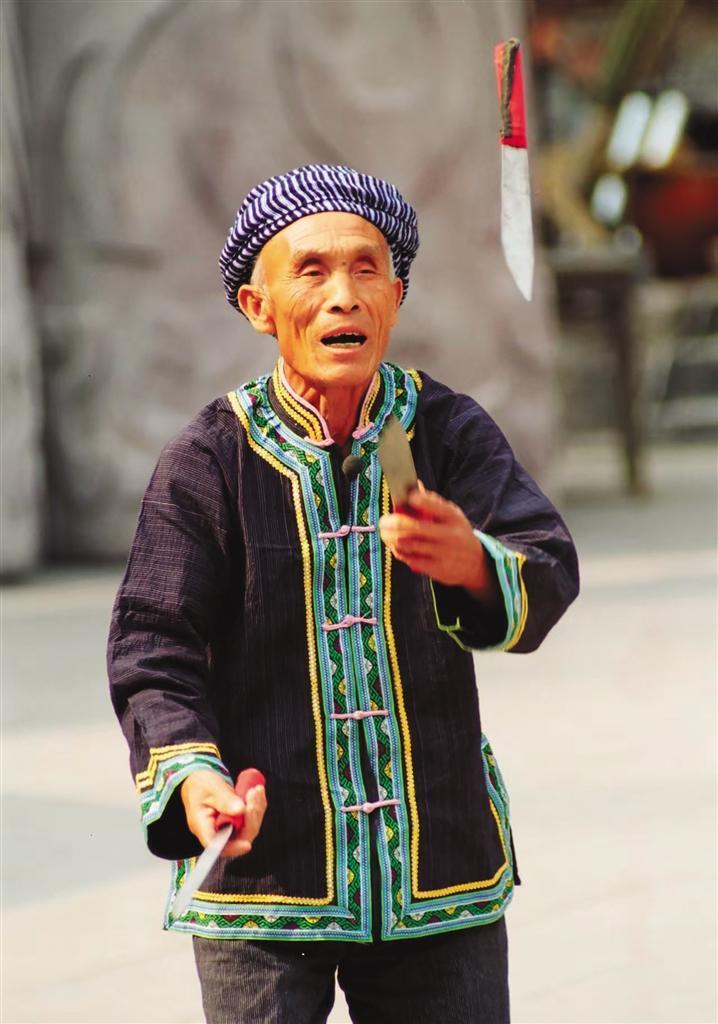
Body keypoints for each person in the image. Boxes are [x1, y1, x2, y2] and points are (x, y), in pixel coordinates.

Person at [108, 164, 579, 1024]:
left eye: (367, 270)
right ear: (258, 306)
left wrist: (472, 563)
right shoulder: (209, 458)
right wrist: (193, 774)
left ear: (396, 297)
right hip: (263, 879)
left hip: (438, 868)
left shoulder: (444, 430)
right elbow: (152, 646)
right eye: (312, 271)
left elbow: (545, 563)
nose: (343, 296)